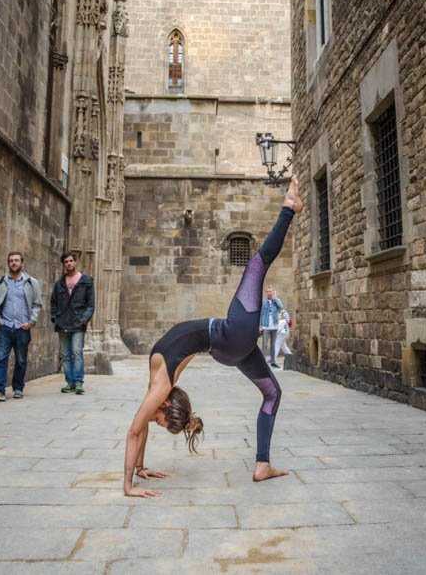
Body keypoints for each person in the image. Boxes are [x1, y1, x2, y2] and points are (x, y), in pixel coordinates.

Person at [123, 176, 303, 498]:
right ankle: (289, 207)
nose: (157, 423)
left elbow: (137, 428)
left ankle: (263, 465)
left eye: (161, 422)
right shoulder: (162, 383)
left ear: (163, 404)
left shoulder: (161, 385)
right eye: (164, 422)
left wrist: (132, 479)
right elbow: (140, 426)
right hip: (231, 339)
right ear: (166, 403)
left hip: (230, 346)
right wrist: (135, 474)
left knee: (272, 392)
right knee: (256, 265)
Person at [0, 252, 42, 401]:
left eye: (16, 260)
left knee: (21, 360)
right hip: (5, 327)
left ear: (22, 263)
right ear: (8, 263)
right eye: (11, 261)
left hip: (23, 327)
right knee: (0, 358)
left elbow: (37, 304)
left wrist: (31, 322)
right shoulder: (1, 281)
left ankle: (18, 388)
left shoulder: (31, 282)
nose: (14, 263)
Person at [51, 251, 95, 395]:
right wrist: (55, 318)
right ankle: (69, 383)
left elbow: (91, 305)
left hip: (78, 323)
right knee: (65, 354)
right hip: (62, 323)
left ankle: (78, 383)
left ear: (75, 262)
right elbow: (54, 303)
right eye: (66, 262)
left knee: (76, 352)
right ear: (63, 264)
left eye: (71, 261)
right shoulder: (59, 284)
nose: (69, 263)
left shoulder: (86, 281)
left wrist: (83, 320)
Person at [259, 286, 284, 368]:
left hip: (274, 326)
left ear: (273, 292)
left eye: (270, 291)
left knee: (273, 344)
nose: (269, 293)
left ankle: (273, 361)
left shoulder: (276, 301)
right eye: (268, 291)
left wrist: (275, 298)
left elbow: (281, 307)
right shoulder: (263, 302)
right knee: (265, 344)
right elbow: (260, 314)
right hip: (265, 326)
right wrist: (260, 326)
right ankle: (263, 362)